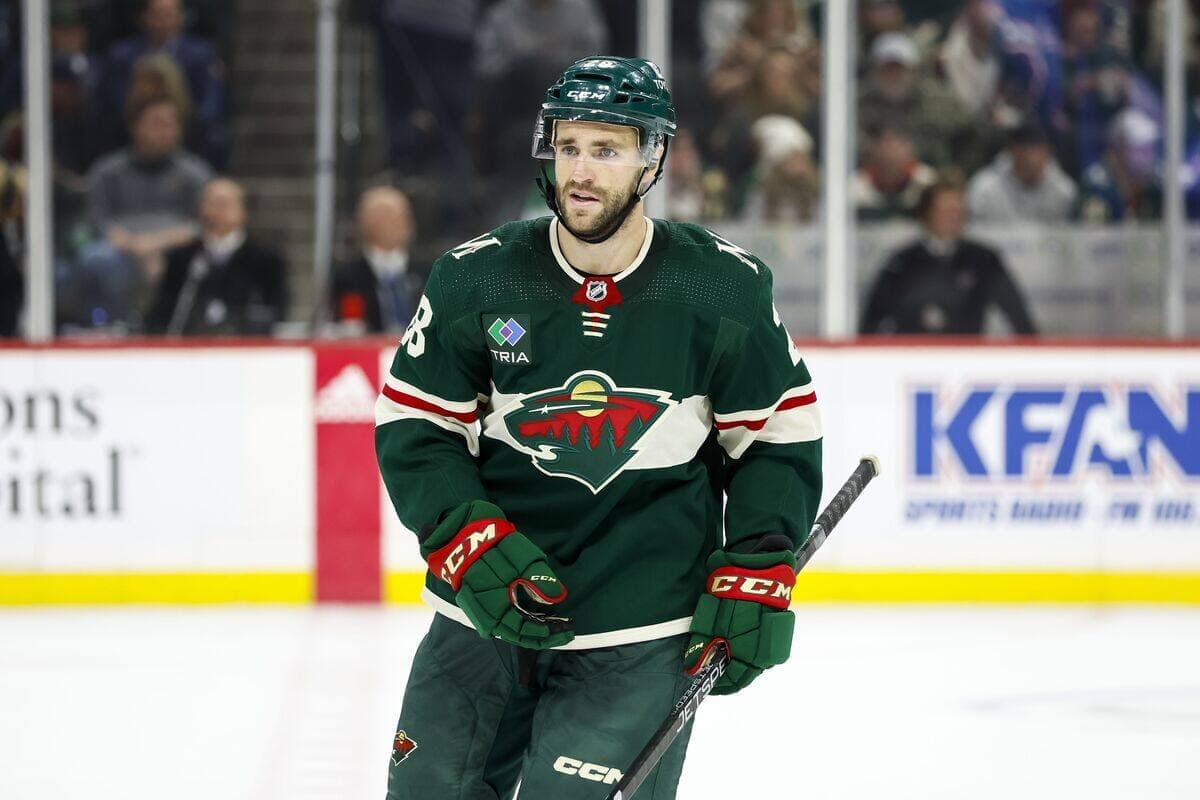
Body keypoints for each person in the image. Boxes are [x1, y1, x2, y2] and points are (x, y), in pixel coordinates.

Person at [375, 56, 823, 799]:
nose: (580, 172)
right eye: (569, 147)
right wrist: (463, 537)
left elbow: (775, 436)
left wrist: (758, 560)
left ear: (652, 159)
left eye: (607, 150)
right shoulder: (476, 278)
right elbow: (417, 425)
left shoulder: (721, 289)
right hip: (486, 611)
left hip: (639, 627)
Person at [78, 94, 212, 328]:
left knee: (205, 260)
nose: (166, 131)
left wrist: (155, 245)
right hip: (121, 250)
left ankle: (184, 328)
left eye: (171, 124)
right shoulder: (107, 172)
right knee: (96, 258)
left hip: (176, 251)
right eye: (157, 123)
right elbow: (97, 220)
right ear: (136, 127)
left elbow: (205, 223)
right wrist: (135, 246)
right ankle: (110, 328)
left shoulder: (195, 174)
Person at [861, 179, 1037, 335]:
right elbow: (872, 320)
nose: (953, 218)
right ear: (926, 214)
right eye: (945, 211)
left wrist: (1033, 353)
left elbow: (1019, 316)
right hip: (913, 355)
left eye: (957, 211)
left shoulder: (983, 259)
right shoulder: (902, 262)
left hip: (966, 354)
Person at [145, 177, 287, 335]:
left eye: (223, 203)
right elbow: (163, 313)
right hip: (192, 342)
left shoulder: (265, 259)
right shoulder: (182, 257)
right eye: (210, 203)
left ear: (242, 210)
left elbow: (276, 310)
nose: (216, 211)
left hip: (244, 343)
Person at [100, 0, 228, 168]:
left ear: (180, 18)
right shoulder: (121, 56)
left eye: (169, 15)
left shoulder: (201, 55)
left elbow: (210, 104)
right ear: (144, 18)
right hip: (129, 140)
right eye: (157, 15)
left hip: (189, 136)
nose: (163, 22)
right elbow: (115, 104)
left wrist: (180, 128)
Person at [330, 186, 426, 333]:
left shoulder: (426, 273)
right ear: (366, 223)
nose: (399, 224)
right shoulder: (347, 277)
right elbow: (344, 326)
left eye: (403, 216)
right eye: (387, 216)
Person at [966, 123, 1078, 223]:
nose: (1031, 157)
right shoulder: (984, 188)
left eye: (1036, 149)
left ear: (1047, 152)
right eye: (1024, 148)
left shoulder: (1064, 191)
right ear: (1013, 151)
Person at [853, 122, 938, 221]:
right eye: (887, 145)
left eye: (899, 145)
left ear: (910, 150)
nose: (892, 154)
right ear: (874, 149)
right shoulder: (856, 185)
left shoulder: (928, 181)